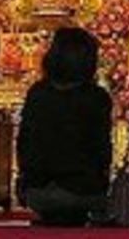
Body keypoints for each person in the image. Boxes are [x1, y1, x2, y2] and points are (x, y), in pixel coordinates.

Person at [16, 27, 112, 226]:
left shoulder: (38, 93)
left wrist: (27, 180)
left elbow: (24, 144)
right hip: (85, 192)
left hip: (38, 193)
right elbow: (102, 151)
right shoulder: (97, 98)